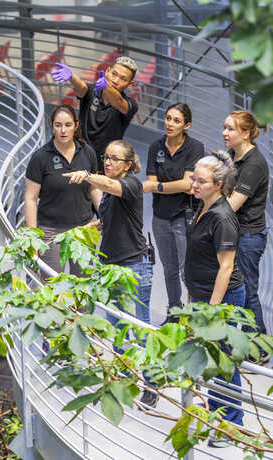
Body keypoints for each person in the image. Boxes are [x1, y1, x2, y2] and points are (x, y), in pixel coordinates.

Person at [63, 140, 157, 407]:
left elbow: (110, 186)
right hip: (110, 268)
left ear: (128, 165)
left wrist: (87, 175)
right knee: (115, 328)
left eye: (115, 159)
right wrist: (85, 230)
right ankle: (121, 380)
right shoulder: (108, 193)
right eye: (106, 157)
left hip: (134, 266)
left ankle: (151, 383)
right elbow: (107, 220)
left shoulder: (130, 185)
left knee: (139, 328)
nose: (108, 162)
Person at [185, 151, 245, 445]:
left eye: (201, 181)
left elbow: (227, 266)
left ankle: (232, 425)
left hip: (224, 299)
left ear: (219, 184)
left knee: (224, 361)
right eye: (194, 179)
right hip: (203, 295)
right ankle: (217, 410)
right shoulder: (201, 208)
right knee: (213, 357)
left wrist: (213, 309)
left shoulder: (223, 217)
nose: (194, 185)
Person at [143, 103, 204, 321]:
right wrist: (170, 186)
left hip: (183, 217)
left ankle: (194, 316)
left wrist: (159, 187)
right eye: (168, 118)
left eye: (176, 120)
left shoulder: (195, 147)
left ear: (186, 125)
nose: (170, 123)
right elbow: (150, 181)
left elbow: (188, 184)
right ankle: (174, 311)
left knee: (187, 271)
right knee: (168, 269)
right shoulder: (155, 147)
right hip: (160, 217)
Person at [24, 104, 102, 275]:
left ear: (76, 126)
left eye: (68, 125)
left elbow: (94, 188)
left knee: (83, 286)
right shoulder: (41, 157)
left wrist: (104, 214)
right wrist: (32, 239)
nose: (63, 130)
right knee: (50, 286)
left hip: (84, 230)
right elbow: (30, 199)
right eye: (58, 125)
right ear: (52, 126)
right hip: (50, 232)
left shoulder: (87, 152)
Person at [223, 110, 269, 363]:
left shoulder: (254, 164)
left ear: (246, 133)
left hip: (249, 236)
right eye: (225, 127)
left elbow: (232, 205)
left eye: (231, 129)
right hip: (234, 233)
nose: (225, 133)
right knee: (239, 291)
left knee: (248, 292)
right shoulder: (231, 157)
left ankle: (259, 349)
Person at [51, 57, 139, 172]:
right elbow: (82, 88)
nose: (116, 80)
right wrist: (72, 77)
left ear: (129, 84)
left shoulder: (130, 105)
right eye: (114, 74)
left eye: (123, 79)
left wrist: (106, 86)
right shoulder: (93, 91)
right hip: (79, 159)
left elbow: (119, 103)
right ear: (107, 70)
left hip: (106, 166)